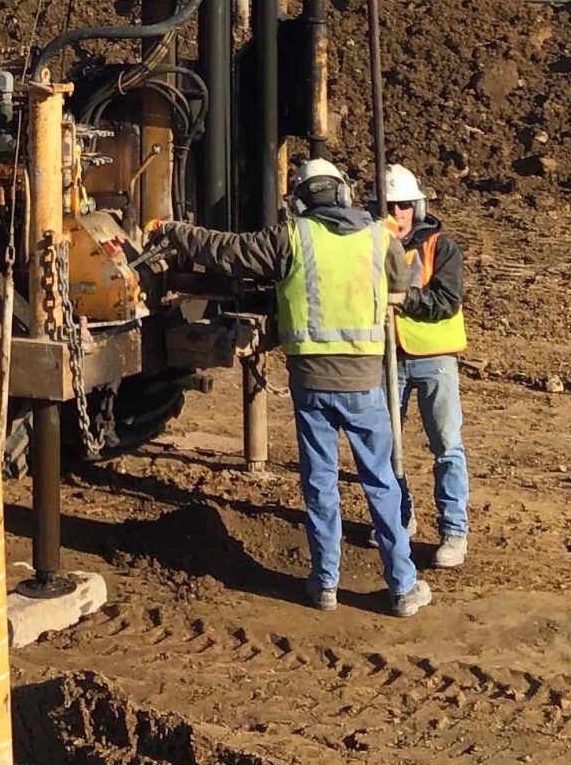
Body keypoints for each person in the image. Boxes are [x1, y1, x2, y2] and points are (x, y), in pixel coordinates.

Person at [139, 159, 430, 617]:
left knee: (320, 484)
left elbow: (227, 250)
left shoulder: (291, 237)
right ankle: (402, 586)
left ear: (300, 199)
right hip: (365, 383)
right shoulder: (379, 236)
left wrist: (173, 230)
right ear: (345, 194)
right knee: (381, 482)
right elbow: (401, 283)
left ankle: (325, 585)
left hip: (311, 383)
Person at [382, 162, 470, 568]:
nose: (394, 212)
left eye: (401, 205)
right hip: (388, 359)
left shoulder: (441, 246)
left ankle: (454, 531)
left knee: (447, 447)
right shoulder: (371, 243)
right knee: (388, 447)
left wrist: (404, 300)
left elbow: (446, 300)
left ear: (415, 206)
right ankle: (401, 517)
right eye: (387, 204)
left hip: (434, 360)